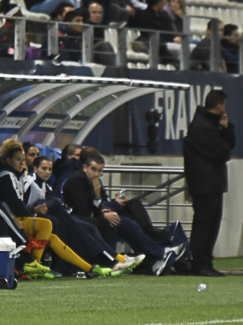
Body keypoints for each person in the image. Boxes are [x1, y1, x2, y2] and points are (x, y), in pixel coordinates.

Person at [0, 139, 113, 278]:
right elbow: (15, 205)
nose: (22, 162)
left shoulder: (20, 176)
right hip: (12, 220)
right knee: (48, 223)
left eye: (22, 159)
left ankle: (88, 267)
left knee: (54, 236)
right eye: (18, 159)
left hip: (21, 217)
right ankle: (33, 264)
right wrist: (34, 213)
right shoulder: (10, 177)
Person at [62, 152, 183, 275]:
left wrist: (105, 204)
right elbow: (85, 211)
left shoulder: (94, 181)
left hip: (96, 215)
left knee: (130, 211)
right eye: (93, 169)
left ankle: (154, 252)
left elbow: (101, 203)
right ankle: (153, 254)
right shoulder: (77, 181)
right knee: (119, 222)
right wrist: (104, 211)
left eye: (99, 171)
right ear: (85, 167)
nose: (96, 174)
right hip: (80, 219)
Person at [184, 90, 235, 277]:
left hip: (211, 182)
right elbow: (221, 152)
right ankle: (199, 263)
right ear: (220, 105)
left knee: (211, 223)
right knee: (204, 223)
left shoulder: (208, 125)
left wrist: (226, 128)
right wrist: (225, 132)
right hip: (205, 183)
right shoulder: (203, 126)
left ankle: (205, 261)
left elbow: (225, 148)